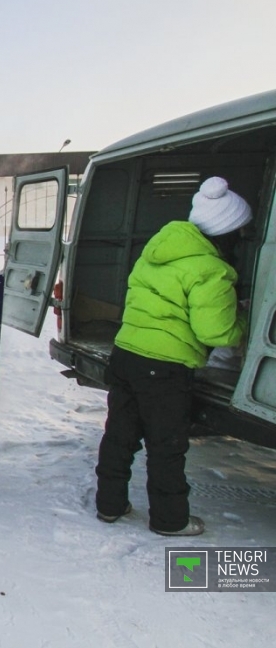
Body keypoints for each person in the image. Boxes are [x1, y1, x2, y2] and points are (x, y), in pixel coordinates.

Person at [95, 176, 252, 535]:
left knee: (119, 435)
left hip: (126, 355)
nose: (241, 241)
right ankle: (170, 521)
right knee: (166, 446)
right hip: (164, 368)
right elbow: (215, 331)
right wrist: (244, 319)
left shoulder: (158, 250)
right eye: (240, 232)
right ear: (226, 230)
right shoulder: (209, 269)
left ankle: (110, 505)